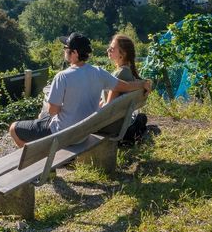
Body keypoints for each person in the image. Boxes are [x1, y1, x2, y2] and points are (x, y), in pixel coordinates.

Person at [9, 32, 151, 147]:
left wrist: (56, 101)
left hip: (63, 133)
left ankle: (40, 165)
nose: (64, 50)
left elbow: (53, 111)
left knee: (14, 128)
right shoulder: (99, 72)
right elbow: (125, 86)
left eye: (66, 48)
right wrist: (143, 83)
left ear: (75, 52)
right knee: (42, 118)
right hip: (83, 132)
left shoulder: (62, 77)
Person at [105, 34, 149, 143]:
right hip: (121, 122)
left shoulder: (120, 74)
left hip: (112, 126)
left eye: (112, 48)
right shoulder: (127, 72)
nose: (108, 50)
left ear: (123, 54)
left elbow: (108, 107)